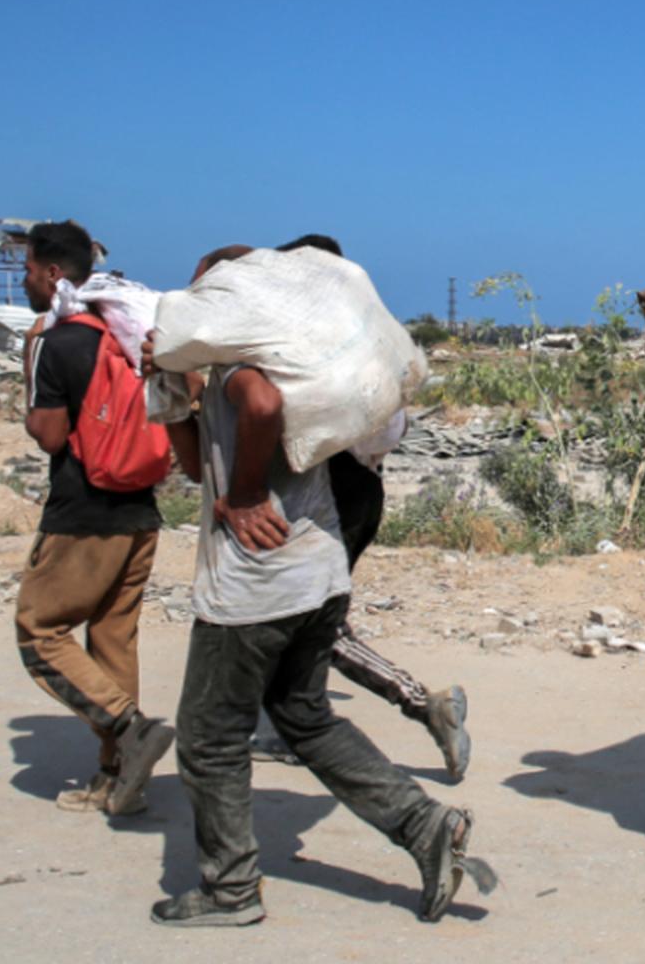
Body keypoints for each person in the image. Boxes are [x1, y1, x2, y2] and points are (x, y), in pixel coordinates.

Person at [144, 249, 488, 929]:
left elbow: (262, 404)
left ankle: (230, 890)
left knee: (209, 737)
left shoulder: (248, 371)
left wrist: (246, 493)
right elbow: (194, 466)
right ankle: (425, 826)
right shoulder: (285, 362)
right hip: (318, 574)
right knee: (306, 718)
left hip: (256, 584)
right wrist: (173, 385)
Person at [244, 234, 470, 780]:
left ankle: (423, 703)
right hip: (362, 485)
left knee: (311, 620)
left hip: (331, 489)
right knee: (306, 615)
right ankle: (292, 722)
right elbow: (392, 427)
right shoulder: (369, 335)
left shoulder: (320, 341)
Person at [16, 220, 174, 818]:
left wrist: (30, 367)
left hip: (82, 514)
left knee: (40, 631)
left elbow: (49, 435)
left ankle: (130, 729)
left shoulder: (58, 343)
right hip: (140, 510)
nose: (26, 281)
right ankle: (116, 779)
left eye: (30, 270)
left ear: (54, 273)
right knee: (113, 640)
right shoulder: (127, 337)